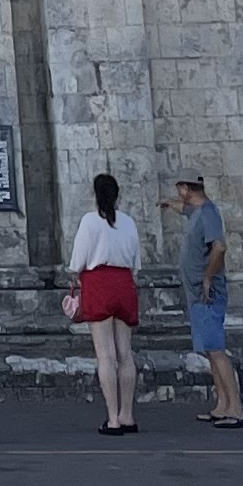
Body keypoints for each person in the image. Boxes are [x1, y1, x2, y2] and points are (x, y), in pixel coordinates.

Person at [69, 172, 145, 433]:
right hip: (123, 282)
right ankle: (127, 415)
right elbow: (136, 261)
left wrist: (74, 274)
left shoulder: (90, 221)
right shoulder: (128, 222)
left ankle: (112, 418)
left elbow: (78, 259)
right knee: (125, 353)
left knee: (105, 354)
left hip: (98, 282)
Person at [175, 175, 243, 428]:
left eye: (179, 189)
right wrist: (167, 203)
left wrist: (207, 277)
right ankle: (222, 406)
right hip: (197, 293)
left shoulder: (207, 213)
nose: (178, 194)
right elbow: (182, 208)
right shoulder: (195, 212)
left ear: (185, 188)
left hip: (207, 292)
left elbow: (219, 247)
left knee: (216, 349)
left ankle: (236, 408)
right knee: (209, 349)